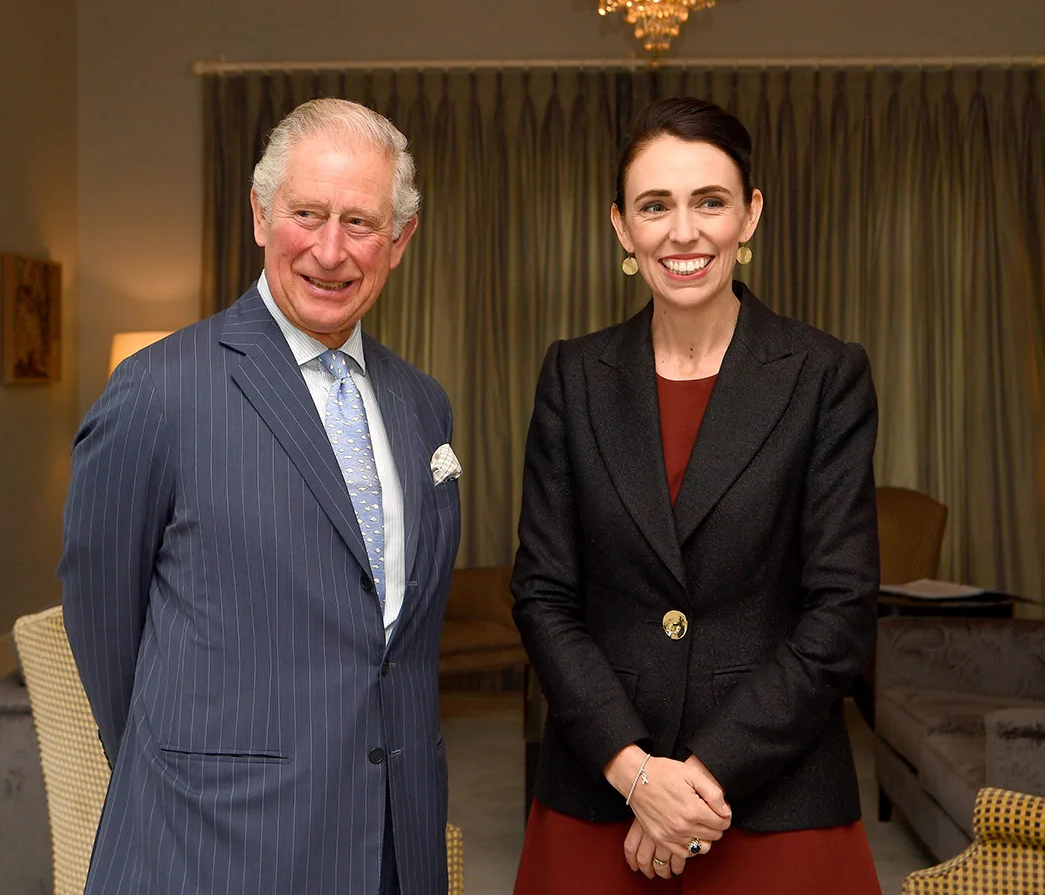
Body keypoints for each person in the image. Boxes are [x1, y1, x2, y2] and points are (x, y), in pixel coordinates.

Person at [59, 98, 462, 895]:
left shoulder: (423, 404)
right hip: (215, 845)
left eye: (360, 222)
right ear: (259, 213)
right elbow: (104, 624)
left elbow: (399, 645)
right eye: (306, 213)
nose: (330, 249)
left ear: (400, 240)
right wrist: (187, 768)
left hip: (392, 843)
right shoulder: (158, 391)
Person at [511, 96, 882, 894]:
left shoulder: (826, 376)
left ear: (750, 214)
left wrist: (701, 779)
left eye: (709, 201)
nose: (684, 232)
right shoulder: (573, 376)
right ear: (621, 227)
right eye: (655, 206)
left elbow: (841, 610)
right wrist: (636, 772)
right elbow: (543, 595)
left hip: (776, 800)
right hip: (600, 794)